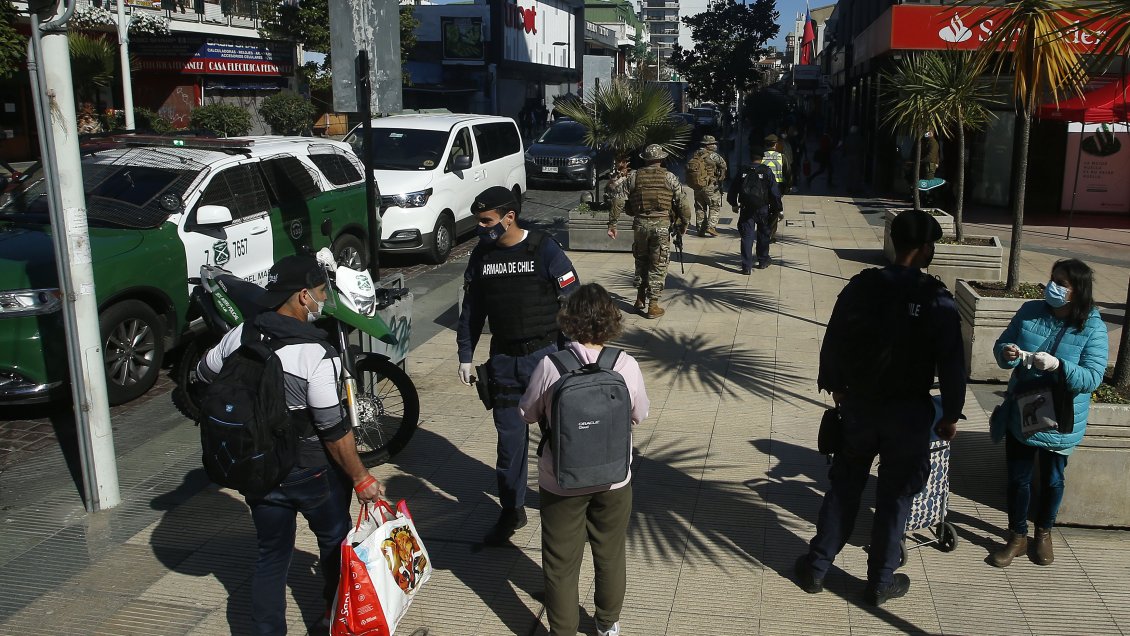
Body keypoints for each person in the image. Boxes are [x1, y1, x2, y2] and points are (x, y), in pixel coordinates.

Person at [197, 255, 386, 634]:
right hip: (310, 471)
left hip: (258, 467)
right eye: (320, 293)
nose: (322, 301)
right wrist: (361, 476)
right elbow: (332, 431)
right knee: (334, 540)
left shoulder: (243, 333)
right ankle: (335, 617)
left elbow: (203, 373)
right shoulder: (316, 353)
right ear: (303, 297)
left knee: (271, 553)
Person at [795, 209, 966, 606]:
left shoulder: (863, 285)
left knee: (845, 486)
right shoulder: (936, 298)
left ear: (894, 244)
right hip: (907, 415)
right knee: (895, 497)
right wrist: (952, 415)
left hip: (860, 407)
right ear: (925, 250)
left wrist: (836, 387)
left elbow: (835, 337)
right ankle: (879, 581)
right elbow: (952, 363)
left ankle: (817, 568)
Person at [519, 283, 649, 636]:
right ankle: (607, 624)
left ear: (569, 321)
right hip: (614, 479)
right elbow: (639, 415)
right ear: (611, 321)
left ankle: (563, 631)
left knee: (561, 563)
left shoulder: (551, 365)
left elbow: (528, 413)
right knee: (609, 554)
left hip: (560, 479)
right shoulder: (625, 364)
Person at [457, 185, 581, 545]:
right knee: (509, 444)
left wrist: (575, 353)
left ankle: (566, 506)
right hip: (504, 361)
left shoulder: (544, 249)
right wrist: (465, 355)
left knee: (558, 437)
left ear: (509, 217)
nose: (480, 227)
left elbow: (572, 302)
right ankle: (511, 511)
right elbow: (472, 312)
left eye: (486, 220)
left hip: (546, 358)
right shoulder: (481, 255)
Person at [988, 259, 1108, 568]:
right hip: (1022, 410)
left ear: (1078, 290)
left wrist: (1059, 367)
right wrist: (1007, 353)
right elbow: (1002, 345)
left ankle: (1043, 533)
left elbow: (1093, 377)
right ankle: (1016, 536)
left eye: (1062, 283)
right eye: (1052, 279)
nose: (1053, 287)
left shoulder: (1093, 325)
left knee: (1053, 480)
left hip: (1061, 418)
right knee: (1018, 479)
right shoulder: (1030, 311)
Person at [615, 144, 687, 319]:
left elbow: (618, 199)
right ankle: (653, 305)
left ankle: (640, 297)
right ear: (661, 159)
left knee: (641, 260)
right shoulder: (669, 177)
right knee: (658, 264)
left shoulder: (633, 177)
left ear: (644, 159)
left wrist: (612, 223)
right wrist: (684, 223)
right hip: (661, 225)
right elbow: (683, 203)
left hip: (640, 224)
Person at [727, 148, 781, 274]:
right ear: (762, 159)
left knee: (747, 237)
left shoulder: (743, 170)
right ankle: (762, 261)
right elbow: (775, 193)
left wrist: (734, 204)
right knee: (763, 235)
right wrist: (777, 209)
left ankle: (746, 267)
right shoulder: (767, 171)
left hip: (746, 209)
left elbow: (733, 189)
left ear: (750, 158)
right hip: (763, 209)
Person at [688, 135, 728, 237]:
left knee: (700, 207)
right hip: (711, 186)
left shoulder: (696, 154)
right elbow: (724, 166)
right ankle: (711, 226)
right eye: (713, 144)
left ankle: (700, 229)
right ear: (707, 145)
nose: (715, 145)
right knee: (714, 206)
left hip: (697, 186)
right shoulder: (714, 156)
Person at [762, 135, 787, 242]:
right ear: (776, 144)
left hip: (762, 188)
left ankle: (763, 231)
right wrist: (786, 188)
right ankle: (771, 234)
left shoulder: (761, 156)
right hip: (776, 188)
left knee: (763, 210)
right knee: (774, 211)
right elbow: (788, 173)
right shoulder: (782, 157)